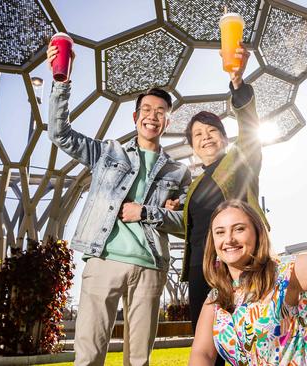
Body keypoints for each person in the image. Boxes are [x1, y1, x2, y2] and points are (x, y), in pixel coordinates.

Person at [46, 44, 191, 366]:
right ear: (136, 116)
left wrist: (149, 213)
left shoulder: (178, 171)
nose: (153, 117)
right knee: (89, 355)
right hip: (104, 261)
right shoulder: (109, 153)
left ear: (167, 121)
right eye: (148, 110)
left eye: (160, 113)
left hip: (151, 266)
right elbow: (59, 134)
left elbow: (187, 224)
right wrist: (61, 82)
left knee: (138, 360)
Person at [188, 144, 307, 365]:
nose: (229, 239)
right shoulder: (216, 299)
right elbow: (202, 353)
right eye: (220, 232)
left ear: (257, 234)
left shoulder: (284, 274)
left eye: (239, 229)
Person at [168, 42, 269, 341]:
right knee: (207, 343)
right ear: (193, 146)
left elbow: (250, 130)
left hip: (233, 263)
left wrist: (238, 84)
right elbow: (193, 229)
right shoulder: (196, 183)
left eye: (212, 131)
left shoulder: (240, 159)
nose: (205, 137)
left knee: (243, 338)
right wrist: (176, 211)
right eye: (198, 135)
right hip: (200, 270)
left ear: (224, 139)